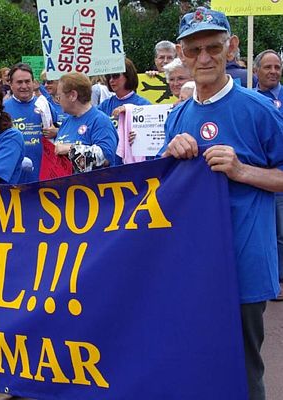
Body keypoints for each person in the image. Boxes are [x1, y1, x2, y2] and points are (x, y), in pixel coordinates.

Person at [160, 8, 283, 400]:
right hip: (194, 265)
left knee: (244, 369)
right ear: (182, 54)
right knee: (196, 360)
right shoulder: (177, 115)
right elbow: (165, 189)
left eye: (213, 47)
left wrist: (242, 171)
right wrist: (170, 155)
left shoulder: (260, 110)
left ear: (231, 47)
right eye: (194, 50)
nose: (205, 58)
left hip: (244, 264)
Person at [253, 49, 283, 302]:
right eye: (268, 67)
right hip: (261, 179)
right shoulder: (251, 101)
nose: (274, 71)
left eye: (277, 67)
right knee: (270, 231)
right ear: (256, 71)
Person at [53, 72, 118, 173]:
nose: (59, 101)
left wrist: (71, 149)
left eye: (59, 96)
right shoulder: (66, 121)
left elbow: (106, 157)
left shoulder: (100, 120)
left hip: (91, 187)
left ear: (73, 95)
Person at [3, 63, 57, 183]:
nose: (24, 86)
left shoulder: (45, 106)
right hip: (13, 179)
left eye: (27, 81)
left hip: (43, 175)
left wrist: (56, 131)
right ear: (11, 84)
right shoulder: (2, 109)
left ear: (34, 83)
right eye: (19, 82)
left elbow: (62, 131)